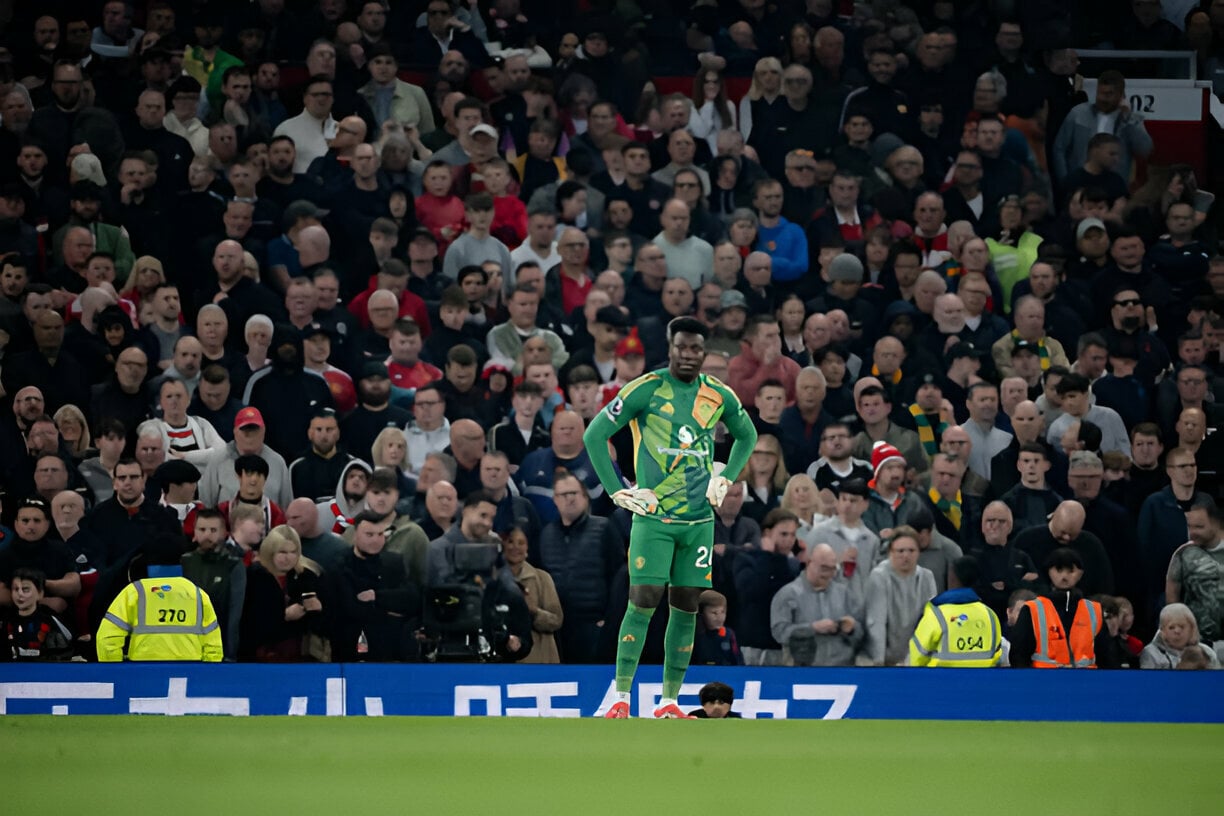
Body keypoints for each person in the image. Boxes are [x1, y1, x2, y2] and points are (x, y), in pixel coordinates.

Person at [585, 317, 757, 719]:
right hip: (655, 517)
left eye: (696, 349)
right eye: (682, 347)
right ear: (670, 346)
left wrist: (727, 477)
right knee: (643, 600)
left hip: (698, 523)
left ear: (704, 351)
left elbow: (747, 436)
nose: (689, 355)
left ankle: (669, 702)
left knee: (686, 607)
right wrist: (617, 489)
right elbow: (594, 434)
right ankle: (621, 696)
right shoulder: (646, 389)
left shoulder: (717, 394)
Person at [95, 536, 223, 662]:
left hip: (144, 675)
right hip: (188, 677)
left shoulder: (135, 592)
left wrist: (117, 673)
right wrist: (205, 675)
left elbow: (107, 639)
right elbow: (214, 646)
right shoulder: (198, 594)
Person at [1008, 548, 1118, 669]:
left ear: (1080, 573)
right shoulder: (1032, 609)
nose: (1064, 576)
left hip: (1086, 683)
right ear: (1049, 571)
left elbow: (1106, 655)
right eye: (1059, 570)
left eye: (1070, 570)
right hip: (1044, 683)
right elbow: (1019, 654)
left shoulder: (1094, 611)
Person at [770, 543, 864, 667]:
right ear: (809, 563)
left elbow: (861, 632)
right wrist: (812, 628)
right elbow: (780, 633)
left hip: (842, 670)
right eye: (824, 568)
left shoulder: (844, 593)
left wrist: (851, 629)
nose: (829, 574)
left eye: (833, 569)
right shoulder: (788, 594)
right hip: (804, 672)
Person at [909, 556, 1003, 667]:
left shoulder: (936, 614)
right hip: (982, 680)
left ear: (952, 578)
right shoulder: (989, 614)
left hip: (941, 680)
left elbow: (916, 655)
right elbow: (997, 654)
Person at [865, 526, 937, 666]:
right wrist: (878, 661)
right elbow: (876, 621)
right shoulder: (879, 576)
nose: (906, 555)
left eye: (911, 550)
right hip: (885, 658)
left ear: (918, 552)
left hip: (917, 657)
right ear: (890, 552)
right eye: (900, 551)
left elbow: (930, 620)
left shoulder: (927, 577)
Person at [501, 526, 562, 664]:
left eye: (521, 543)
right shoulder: (492, 579)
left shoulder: (542, 578)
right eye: (510, 542)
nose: (515, 547)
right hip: (502, 661)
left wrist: (533, 611)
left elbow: (556, 620)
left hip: (538, 660)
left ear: (528, 547)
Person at [0, 568, 75, 661]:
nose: (20, 594)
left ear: (40, 593)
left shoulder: (51, 620)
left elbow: (66, 651)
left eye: (25, 589)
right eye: (15, 589)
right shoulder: (6, 621)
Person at [1139, 603, 1221, 670]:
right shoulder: (1151, 653)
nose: (1177, 631)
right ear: (1162, 631)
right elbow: (1148, 683)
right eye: (1171, 627)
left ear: (1192, 629)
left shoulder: (1206, 652)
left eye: (1182, 627)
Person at [691, 589, 743, 667]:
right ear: (701, 613)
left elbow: (738, 663)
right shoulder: (693, 635)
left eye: (722, 612)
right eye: (714, 613)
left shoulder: (729, 634)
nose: (719, 617)